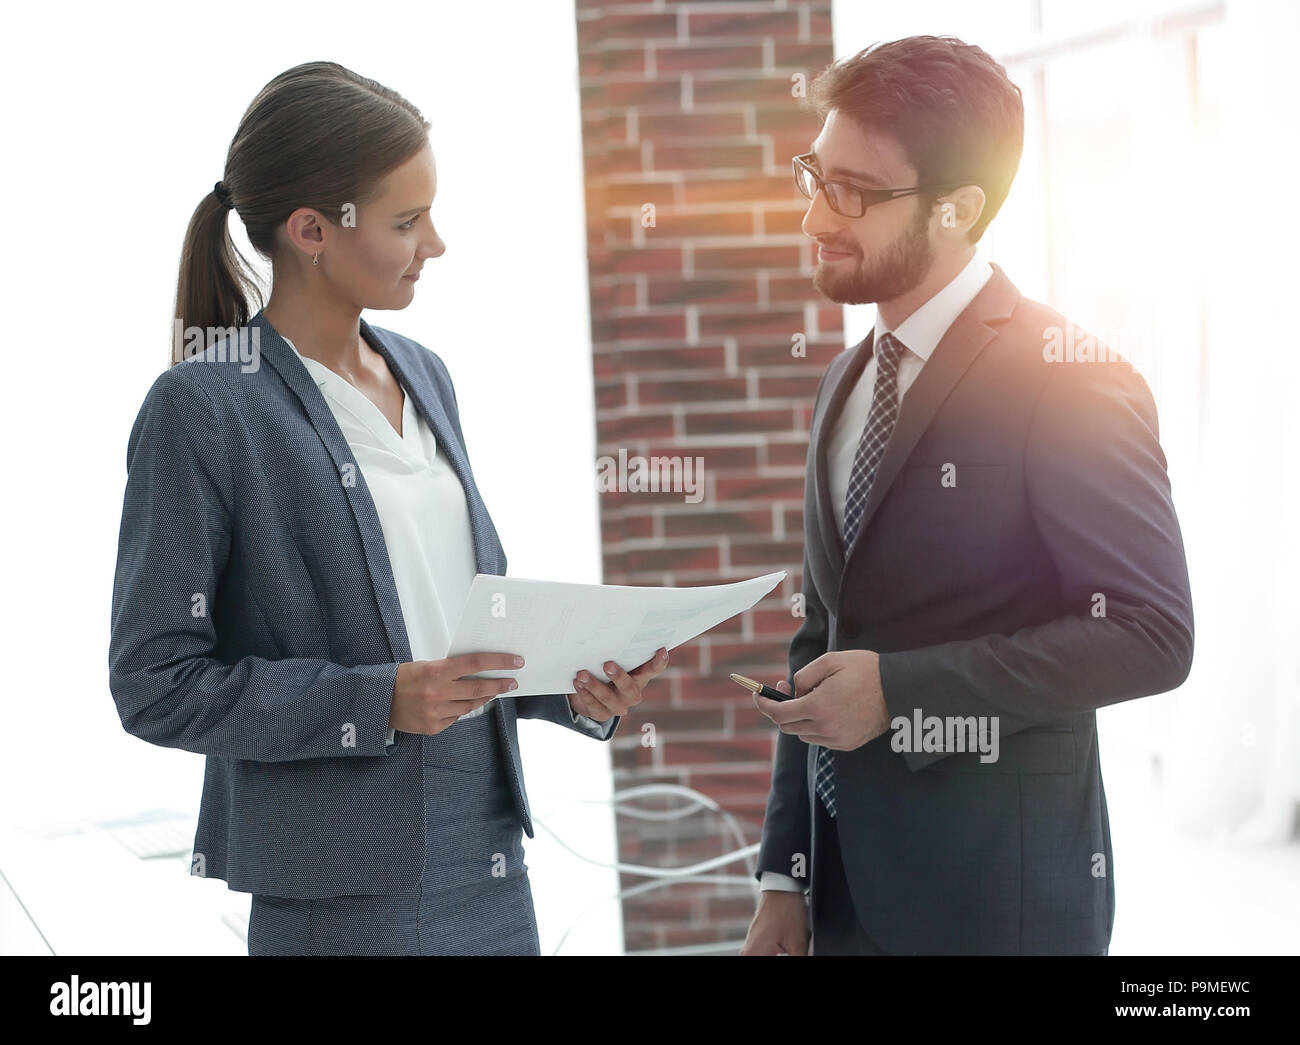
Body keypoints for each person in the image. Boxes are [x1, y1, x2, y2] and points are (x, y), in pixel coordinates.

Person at [107, 60, 668, 956]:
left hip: (489, 858)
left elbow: (450, 627)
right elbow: (155, 685)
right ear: (310, 230)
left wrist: (571, 684)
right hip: (343, 893)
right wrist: (376, 700)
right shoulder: (203, 407)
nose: (435, 243)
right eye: (408, 221)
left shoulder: (426, 372)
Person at [742, 36, 1193, 956]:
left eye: (856, 192)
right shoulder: (844, 382)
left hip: (1001, 908)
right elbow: (821, 638)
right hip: (842, 905)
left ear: (961, 209)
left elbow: (1152, 633)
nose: (814, 217)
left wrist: (901, 693)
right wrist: (785, 874)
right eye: (813, 176)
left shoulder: (1068, 374)